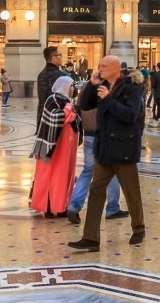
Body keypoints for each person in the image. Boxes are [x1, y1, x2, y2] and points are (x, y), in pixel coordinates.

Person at [68, 55, 146, 251]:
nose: (99, 68)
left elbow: (130, 116)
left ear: (115, 68)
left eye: (104, 66)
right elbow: (85, 106)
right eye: (99, 65)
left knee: (131, 192)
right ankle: (91, 238)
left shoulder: (132, 88)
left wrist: (109, 99)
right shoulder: (101, 86)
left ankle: (138, 228)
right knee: (95, 191)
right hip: (104, 148)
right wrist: (92, 86)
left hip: (124, 148)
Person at [65, 68, 124, 224]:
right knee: (112, 170)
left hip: (89, 133)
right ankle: (112, 208)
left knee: (87, 171)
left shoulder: (87, 86)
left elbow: (80, 106)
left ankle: (74, 205)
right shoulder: (108, 88)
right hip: (104, 134)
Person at [31, 74, 79, 216]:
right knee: (51, 176)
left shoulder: (66, 100)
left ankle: (62, 205)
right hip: (53, 146)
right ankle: (49, 206)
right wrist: (70, 111)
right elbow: (55, 117)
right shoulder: (53, 99)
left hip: (65, 146)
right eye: (71, 86)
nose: (73, 89)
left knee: (63, 176)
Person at [37, 47, 64, 129]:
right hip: (56, 117)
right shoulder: (60, 75)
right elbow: (73, 93)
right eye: (60, 55)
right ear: (54, 58)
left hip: (43, 115)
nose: (61, 57)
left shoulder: (41, 74)